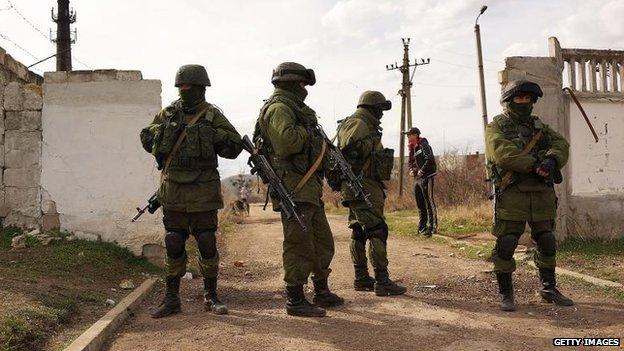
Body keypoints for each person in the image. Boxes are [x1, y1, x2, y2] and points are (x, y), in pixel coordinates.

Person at [140, 64, 243, 318]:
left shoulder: (211, 115)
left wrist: (212, 136)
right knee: (173, 241)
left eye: (189, 87)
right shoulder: (169, 114)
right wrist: (160, 136)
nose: (184, 91)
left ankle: (211, 295)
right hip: (174, 190)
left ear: (201, 88)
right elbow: (145, 137)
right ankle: (172, 298)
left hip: (203, 192)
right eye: (181, 87)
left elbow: (234, 146)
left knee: (207, 242)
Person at [253, 62, 343, 317]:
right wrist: (309, 134)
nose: (305, 90)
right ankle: (295, 299)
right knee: (298, 243)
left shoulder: (295, 109)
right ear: (292, 84)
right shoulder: (280, 108)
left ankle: (321, 291)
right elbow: (287, 143)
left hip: (307, 187)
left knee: (321, 242)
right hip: (294, 187)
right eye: (303, 84)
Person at [485, 79, 574, 311]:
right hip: (513, 191)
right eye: (519, 97)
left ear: (533, 100)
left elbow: (561, 144)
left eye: (527, 98)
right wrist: (535, 164)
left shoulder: (540, 127)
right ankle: (506, 293)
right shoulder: (497, 126)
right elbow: (503, 154)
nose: (523, 101)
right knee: (507, 242)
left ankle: (548, 288)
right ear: (509, 100)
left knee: (547, 240)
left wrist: (552, 159)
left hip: (541, 191)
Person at [336, 91, 407, 296]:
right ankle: (382, 280)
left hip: (360, 185)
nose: (382, 114)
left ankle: (362, 278)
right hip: (362, 185)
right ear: (371, 108)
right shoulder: (360, 123)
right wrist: (370, 142)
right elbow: (350, 149)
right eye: (380, 109)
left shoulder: (358, 123)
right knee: (377, 229)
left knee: (359, 229)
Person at [405, 127, 437, 236]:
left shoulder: (423, 144)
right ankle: (422, 226)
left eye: (409, 135)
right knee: (420, 203)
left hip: (427, 176)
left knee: (429, 201)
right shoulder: (411, 148)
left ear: (415, 135)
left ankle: (432, 227)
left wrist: (422, 170)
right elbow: (410, 163)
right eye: (407, 135)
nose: (408, 137)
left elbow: (430, 159)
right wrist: (411, 170)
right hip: (417, 179)